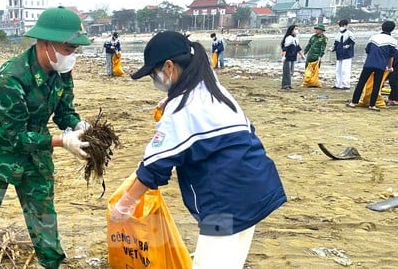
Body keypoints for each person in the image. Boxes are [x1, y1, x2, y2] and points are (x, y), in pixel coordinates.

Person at [112, 31, 287, 268]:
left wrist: (125, 204)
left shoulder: (181, 110)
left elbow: (155, 168)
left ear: (169, 66)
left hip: (225, 206)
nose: (155, 80)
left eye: (154, 74)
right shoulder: (213, 89)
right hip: (257, 187)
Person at [0, 6, 92, 269]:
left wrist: (77, 124)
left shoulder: (62, 72)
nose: (72, 55)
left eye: (75, 50)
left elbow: (64, 110)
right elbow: (15, 137)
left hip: (35, 151)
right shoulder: (11, 78)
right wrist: (61, 141)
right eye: (68, 48)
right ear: (46, 44)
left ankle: (51, 264)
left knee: (43, 214)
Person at [346, 21, 397, 111]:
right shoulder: (393, 41)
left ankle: (353, 102)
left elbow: (367, 50)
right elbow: (391, 56)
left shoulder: (373, 37)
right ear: (392, 29)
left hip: (369, 63)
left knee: (361, 83)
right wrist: (390, 67)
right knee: (376, 85)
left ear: (382, 27)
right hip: (381, 65)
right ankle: (372, 105)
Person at [330, 19, 356, 89]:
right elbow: (336, 44)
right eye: (340, 25)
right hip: (339, 54)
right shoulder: (338, 34)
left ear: (346, 26)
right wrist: (333, 49)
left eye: (343, 25)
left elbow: (352, 43)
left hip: (347, 54)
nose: (341, 27)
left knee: (345, 70)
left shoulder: (350, 34)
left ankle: (346, 85)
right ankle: (338, 84)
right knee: (338, 70)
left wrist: (348, 46)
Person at [280, 25, 306, 90]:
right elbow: (285, 48)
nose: (296, 31)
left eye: (297, 29)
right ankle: (285, 85)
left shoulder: (295, 38)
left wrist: (302, 55)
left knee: (291, 71)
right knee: (287, 72)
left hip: (293, 57)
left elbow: (298, 48)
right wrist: (283, 57)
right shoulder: (288, 38)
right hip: (288, 57)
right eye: (295, 29)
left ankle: (289, 84)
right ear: (291, 30)